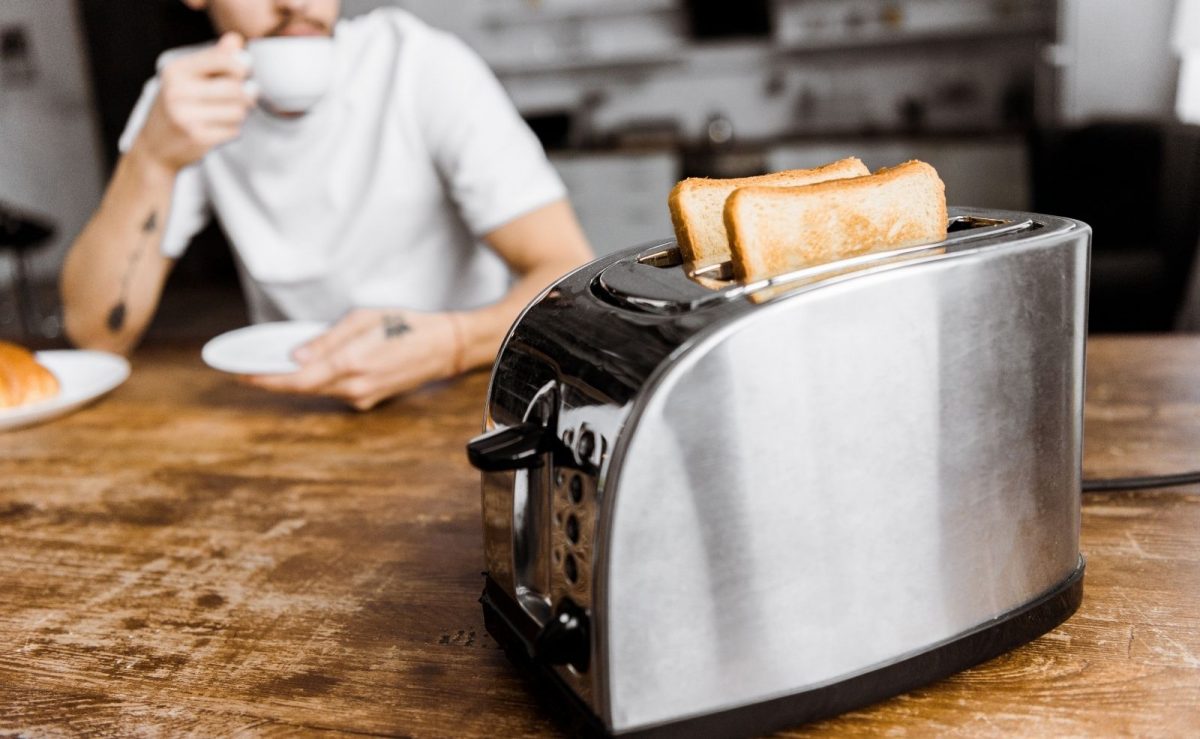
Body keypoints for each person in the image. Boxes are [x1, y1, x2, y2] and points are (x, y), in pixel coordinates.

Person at [61, 0, 593, 410]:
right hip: (295, 409)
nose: (298, 2)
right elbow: (96, 333)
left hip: (460, 396)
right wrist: (151, 160)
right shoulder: (182, 98)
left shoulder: (421, 65)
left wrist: (453, 344)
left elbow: (567, 270)